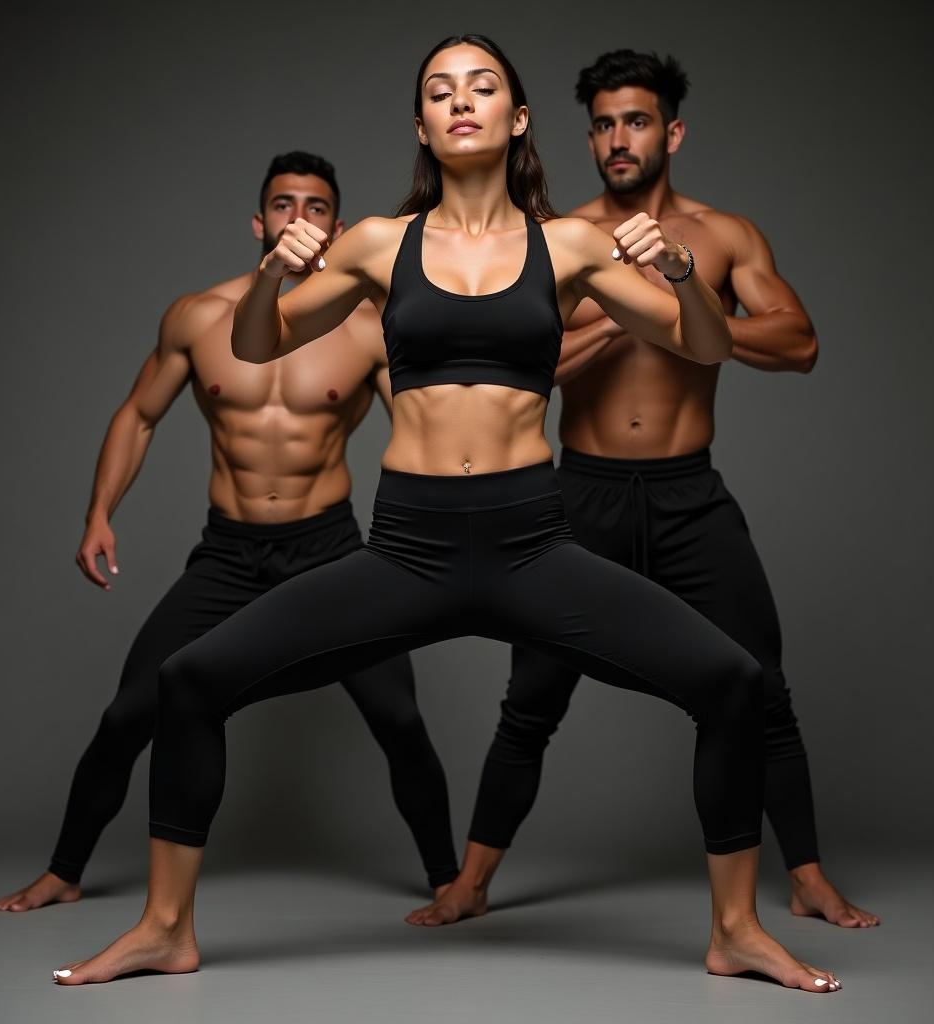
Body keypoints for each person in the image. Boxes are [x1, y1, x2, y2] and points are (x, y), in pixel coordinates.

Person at [52, 35, 839, 993]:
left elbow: (706, 343)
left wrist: (678, 272)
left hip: (531, 543)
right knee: (187, 681)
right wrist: (272, 275)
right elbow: (257, 345)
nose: (460, 100)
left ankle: (736, 930)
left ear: (516, 119)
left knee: (732, 682)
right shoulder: (380, 243)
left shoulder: (573, 245)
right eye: (438, 90)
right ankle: (165, 927)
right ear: (422, 125)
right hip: (409, 547)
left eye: (482, 86)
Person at [407, 49, 878, 932]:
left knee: (759, 686)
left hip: (688, 496)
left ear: (672, 131)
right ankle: (471, 882)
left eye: (637, 121)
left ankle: (808, 875)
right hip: (578, 496)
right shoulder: (558, 236)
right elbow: (521, 370)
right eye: (604, 124)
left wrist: (683, 298)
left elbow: (800, 342)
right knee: (532, 700)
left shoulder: (723, 235)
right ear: (586, 137)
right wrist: (635, 318)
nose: (619, 139)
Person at [0, 151, 460, 915]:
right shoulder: (198, 317)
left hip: (331, 551)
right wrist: (99, 511)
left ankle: (449, 882)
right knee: (130, 712)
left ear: (337, 229)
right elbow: (139, 415)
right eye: (283, 205)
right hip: (229, 554)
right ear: (259, 221)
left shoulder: (369, 326)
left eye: (315, 208)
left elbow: (430, 431)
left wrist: (443, 542)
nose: (298, 220)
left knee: (399, 718)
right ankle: (63, 870)